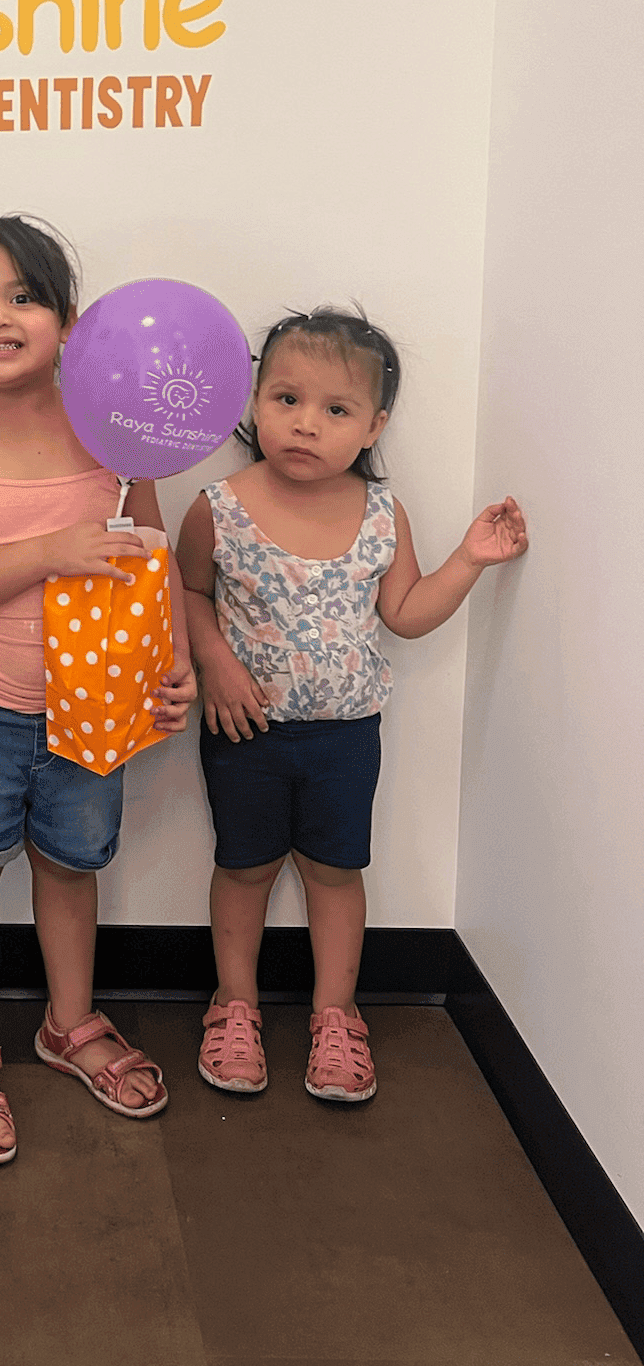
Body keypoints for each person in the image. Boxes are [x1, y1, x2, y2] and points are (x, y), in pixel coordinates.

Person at [177, 306, 528, 1104]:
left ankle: (336, 1015)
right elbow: (188, 590)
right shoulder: (218, 505)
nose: (306, 424)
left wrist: (469, 559)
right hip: (245, 730)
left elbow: (404, 612)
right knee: (244, 867)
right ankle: (234, 1006)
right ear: (255, 401)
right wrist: (215, 661)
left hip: (346, 735)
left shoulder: (381, 513)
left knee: (335, 872)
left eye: (335, 409)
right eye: (286, 399)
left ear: (374, 426)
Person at [0, 216, 196, 1166]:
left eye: (23, 297)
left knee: (72, 868)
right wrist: (50, 551)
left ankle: (69, 1024)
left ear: (69, 322)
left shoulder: (115, 436)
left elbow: (152, 561)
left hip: (95, 707)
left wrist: (174, 664)